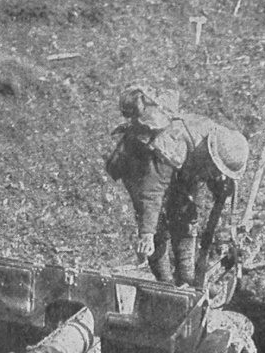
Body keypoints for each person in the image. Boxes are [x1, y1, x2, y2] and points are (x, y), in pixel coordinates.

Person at [105, 84, 248, 287]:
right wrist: (146, 232)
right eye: (216, 169)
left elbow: (212, 175)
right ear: (210, 156)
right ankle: (165, 284)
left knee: (186, 214)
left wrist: (221, 186)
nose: (215, 173)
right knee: (157, 228)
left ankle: (187, 279)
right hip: (143, 165)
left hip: (180, 169)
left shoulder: (216, 140)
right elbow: (152, 193)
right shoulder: (172, 145)